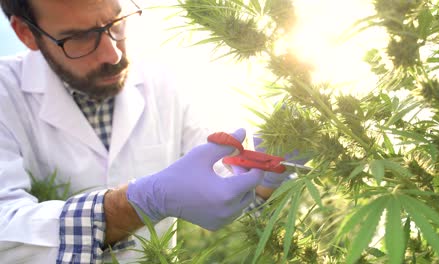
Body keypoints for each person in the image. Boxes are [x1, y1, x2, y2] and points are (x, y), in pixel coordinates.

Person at [0, 0, 291, 263]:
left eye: (116, 22)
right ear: (26, 33)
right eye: (79, 37)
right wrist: (136, 203)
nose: (112, 54)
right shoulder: (5, 94)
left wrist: (263, 182)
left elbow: (226, 192)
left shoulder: (165, 83)